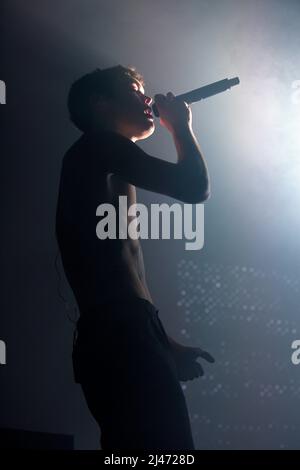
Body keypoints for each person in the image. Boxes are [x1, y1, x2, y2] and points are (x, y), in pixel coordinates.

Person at [56, 65, 214, 450]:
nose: (148, 98)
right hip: (123, 332)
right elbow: (195, 187)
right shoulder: (99, 146)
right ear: (100, 103)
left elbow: (120, 271)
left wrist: (163, 340)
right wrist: (180, 125)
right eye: (134, 89)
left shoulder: (103, 159)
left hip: (122, 330)